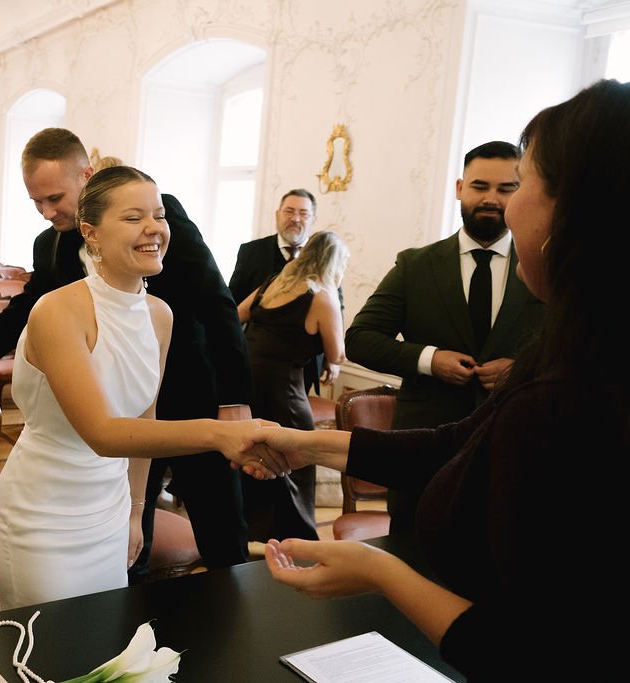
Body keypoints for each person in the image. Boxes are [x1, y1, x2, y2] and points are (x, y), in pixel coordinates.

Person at [253, 79, 629, 680]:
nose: (503, 203)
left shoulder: (566, 401)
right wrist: (306, 444)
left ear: (570, 212)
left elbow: (534, 651)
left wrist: (376, 570)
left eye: (521, 183)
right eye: (486, 186)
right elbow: (455, 442)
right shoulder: (571, 345)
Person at [0, 128, 255, 582]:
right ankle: (136, 626)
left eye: (54, 197)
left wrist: (232, 401)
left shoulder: (158, 224)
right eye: (36, 203)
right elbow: (24, 311)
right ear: (90, 234)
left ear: (86, 174)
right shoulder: (53, 245)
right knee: (133, 546)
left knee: (221, 532)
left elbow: (216, 302)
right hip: (99, 418)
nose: (46, 212)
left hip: (186, 392)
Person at [0, 166, 280, 609]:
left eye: (159, 215)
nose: (154, 229)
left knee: (102, 647)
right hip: (45, 513)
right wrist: (221, 434)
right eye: (132, 218)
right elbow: (104, 434)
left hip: (110, 509)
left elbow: (144, 418)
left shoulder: (160, 315)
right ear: (92, 234)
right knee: (46, 658)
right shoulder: (57, 312)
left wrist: (136, 511)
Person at [345, 140, 545, 532]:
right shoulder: (415, 265)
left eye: (507, 188)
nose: (491, 198)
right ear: (459, 188)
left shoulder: (544, 265)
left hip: (517, 450)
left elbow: (577, 345)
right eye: (479, 186)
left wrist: (523, 369)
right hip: (423, 453)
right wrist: (429, 359)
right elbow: (360, 337)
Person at [236, 230, 349, 542]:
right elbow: (337, 351)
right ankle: (293, 535)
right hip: (285, 391)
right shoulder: (322, 297)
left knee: (255, 453)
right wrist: (332, 362)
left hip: (248, 385)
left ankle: (252, 528)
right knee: (296, 458)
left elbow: (236, 315)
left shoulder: (272, 284)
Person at [228, 189, 335, 395]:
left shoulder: (323, 257)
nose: (295, 219)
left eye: (303, 213)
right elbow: (233, 300)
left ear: (313, 219)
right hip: (256, 361)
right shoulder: (251, 251)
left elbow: (335, 305)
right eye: (289, 211)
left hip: (305, 365)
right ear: (277, 215)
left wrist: (333, 359)